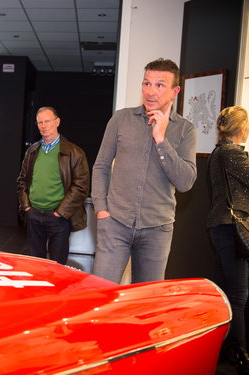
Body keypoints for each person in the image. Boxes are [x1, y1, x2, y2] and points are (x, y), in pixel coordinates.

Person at [91, 58, 197, 284]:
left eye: (159, 85)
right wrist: (101, 210)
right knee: (99, 294)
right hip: (115, 224)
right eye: (146, 83)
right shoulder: (121, 119)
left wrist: (160, 138)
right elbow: (100, 166)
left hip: (156, 230)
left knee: (146, 303)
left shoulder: (185, 130)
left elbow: (186, 181)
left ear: (174, 91)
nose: (150, 91)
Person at [17, 107, 90, 265]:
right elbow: (22, 180)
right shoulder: (32, 151)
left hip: (58, 218)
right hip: (34, 215)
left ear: (57, 122)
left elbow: (81, 186)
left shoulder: (74, 152)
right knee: (35, 264)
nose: (43, 126)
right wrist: (27, 207)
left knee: (57, 266)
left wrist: (61, 212)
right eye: (40, 122)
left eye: (47, 121)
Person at [207, 106, 249, 374]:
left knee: (226, 292)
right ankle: (242, 353)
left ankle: (224, 347)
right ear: (241, 128)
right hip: (231, 227)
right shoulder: (233, 153)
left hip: (222, 226)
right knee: (238, 294)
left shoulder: (217, 153)